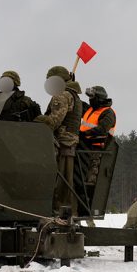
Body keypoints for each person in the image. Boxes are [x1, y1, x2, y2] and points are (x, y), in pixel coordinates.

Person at [35, 66, 83, 215]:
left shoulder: (62, 95)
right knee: (66, 183)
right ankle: (66, 211)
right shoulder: (74, 95)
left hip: (61, 143)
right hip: (70, 143)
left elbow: (54, 121)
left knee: (59, 182)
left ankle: (58, 211)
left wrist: (38, 120)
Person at [78, 85, 116, 186]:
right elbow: (77, 104)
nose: (90, 100)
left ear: (99, 98)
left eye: (92, 97)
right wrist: (71, 85)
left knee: (91, 177)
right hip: (84, 147)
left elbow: (102, 129)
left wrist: (84, 134)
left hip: (97, 150)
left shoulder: (108, 113)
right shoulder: (90, 109)